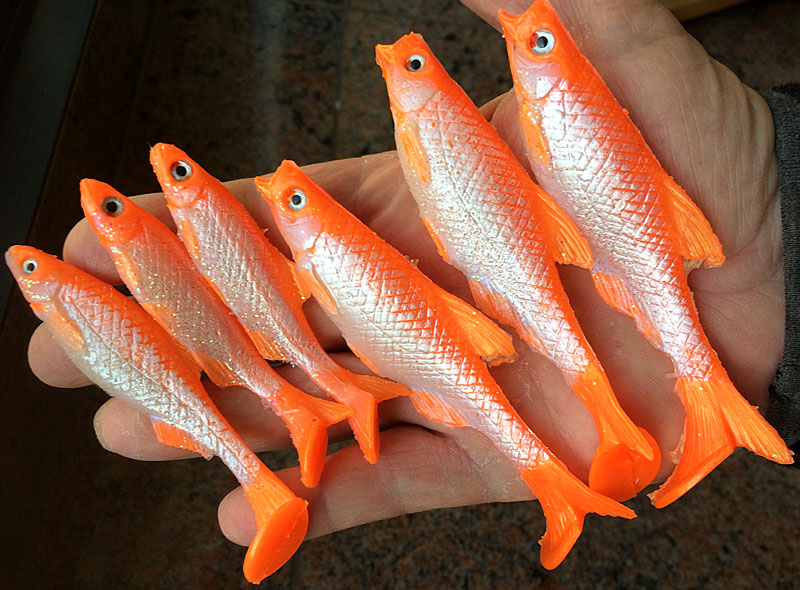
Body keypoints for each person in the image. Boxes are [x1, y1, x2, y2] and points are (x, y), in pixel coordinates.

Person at [23, 0, 798, 552]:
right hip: (488, 271)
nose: (401, 66)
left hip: (535, 253)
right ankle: (625, 424)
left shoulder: (457, 124)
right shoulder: (428, 135)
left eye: (415, 66)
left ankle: (656, 409)